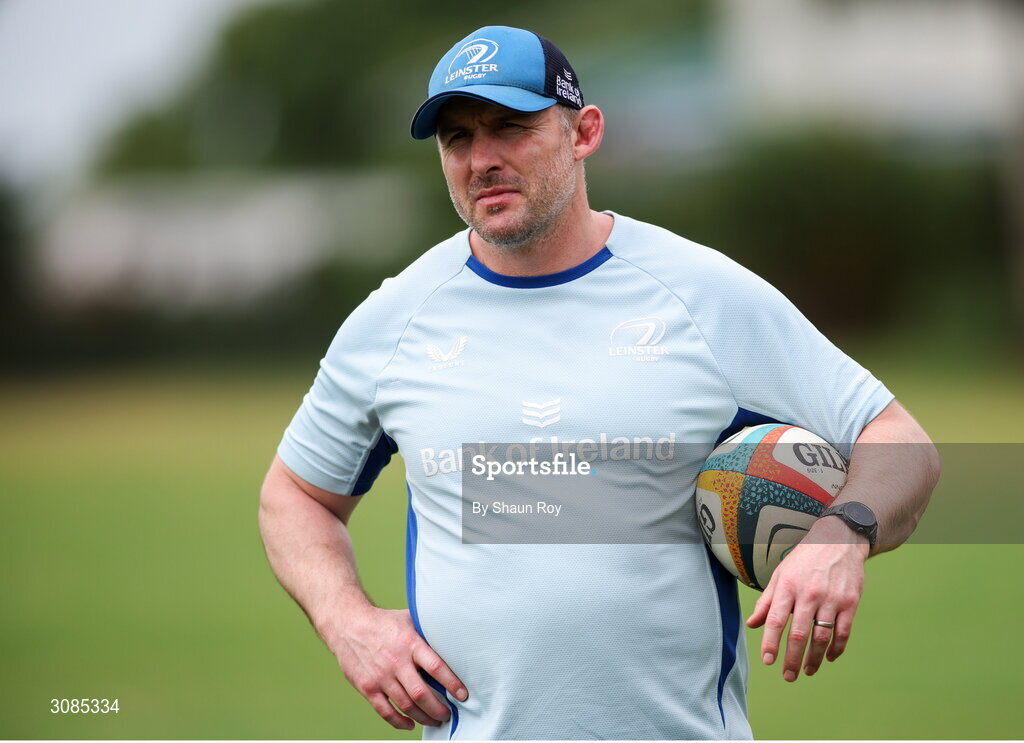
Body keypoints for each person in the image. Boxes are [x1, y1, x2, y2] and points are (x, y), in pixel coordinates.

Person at [258, 25, 940, 740]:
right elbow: (294, 495)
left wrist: (842, 534)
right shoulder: (396, 318)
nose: (481, 158)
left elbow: (903, 442)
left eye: (509, 127)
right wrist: (349, 622)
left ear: (584, 133)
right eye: (457, 138)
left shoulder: (701, 295)